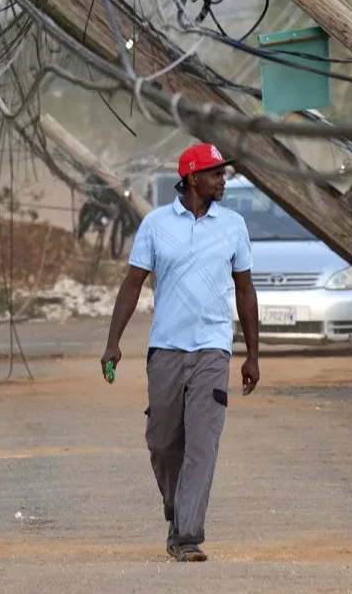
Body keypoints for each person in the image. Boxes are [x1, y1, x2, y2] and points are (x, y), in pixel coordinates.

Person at [100, 142, 260, 563]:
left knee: (202, 442)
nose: (222, 180)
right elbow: (133, 283)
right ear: (192, 178)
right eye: (215, 174)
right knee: (163, 440)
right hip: (166, 348)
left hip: (213, 349)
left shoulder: (234, 226)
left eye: (223, 174)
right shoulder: (155, 225)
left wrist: (253, 354)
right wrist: (113, 342)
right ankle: (177, 507)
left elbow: (245, 289)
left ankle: (186, 534)